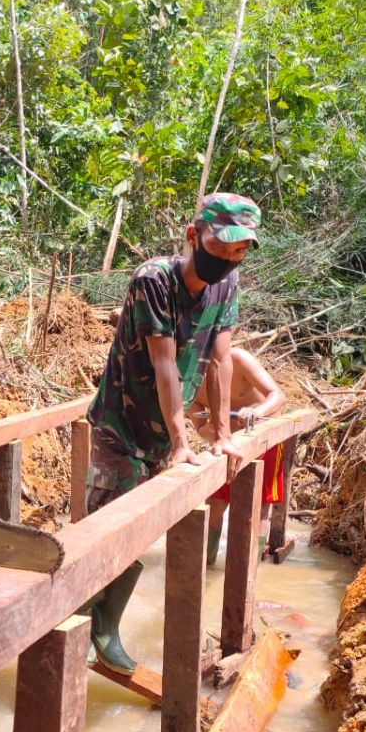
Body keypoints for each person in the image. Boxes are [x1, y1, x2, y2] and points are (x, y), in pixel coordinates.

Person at [83, 193, 261, 674]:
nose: (226, 261)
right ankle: (83, 625)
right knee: (106, 527)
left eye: (237, 252)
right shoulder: (154, 280)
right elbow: (164, 366)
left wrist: (222, 435)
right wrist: (184, 444)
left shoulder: (227, 287)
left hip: (164, 433)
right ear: (192, 235)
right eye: (219, 248)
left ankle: (101, 625)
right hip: (122, 425)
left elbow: (221, 360)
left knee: (138, 533)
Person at [190, 347, 287, 565]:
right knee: (214, 502)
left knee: (258, 506)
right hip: (228, 445)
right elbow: (200, 428)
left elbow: (279, 396)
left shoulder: (239, 358)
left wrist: (257, 412)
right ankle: (207, 565)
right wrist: (212, 429)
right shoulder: (189, 382)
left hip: (264, 437)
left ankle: (252, 566)